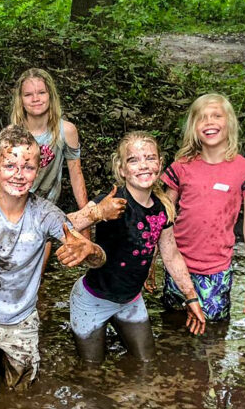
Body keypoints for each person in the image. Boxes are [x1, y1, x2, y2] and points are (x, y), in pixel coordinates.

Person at [0, 125, 123, 407]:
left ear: (38, 170)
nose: (18, 174)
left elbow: (99, 257)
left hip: (21, 320)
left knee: (21, 400)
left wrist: (89, 249)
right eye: (9, 165)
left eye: (27, 167)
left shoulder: (45, 214)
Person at [69, 131, 207, 364]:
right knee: (91, 370)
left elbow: (171, 255)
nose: (143, 165)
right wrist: (98, 212)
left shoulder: (162, 209)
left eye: (150, 158)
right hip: (92, 300)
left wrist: (191, 298)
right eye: (134, 160)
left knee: (147, 363)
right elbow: (62, 224)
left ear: (160, 164)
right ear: (122, 169)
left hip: (130, 300)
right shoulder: (112, 200)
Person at [160, 93, 245, 321]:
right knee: (172, 323)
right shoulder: (181, 167)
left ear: (230, 123)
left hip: (216, 271)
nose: (209, 122)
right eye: (202, 118)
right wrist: (149, 264)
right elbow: (162, 219)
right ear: (193, 127)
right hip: (177, 265)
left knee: (213, 334)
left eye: (216, 115)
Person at [0, 68, 87, 207]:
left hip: (45, 209)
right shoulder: (10, 135)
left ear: (50, 96)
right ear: (21, 100)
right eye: (28, 94)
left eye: (41, 93)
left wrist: (87, 218)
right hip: (10, 206)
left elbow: (76, 174)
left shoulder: (65, 131)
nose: (36, 99)